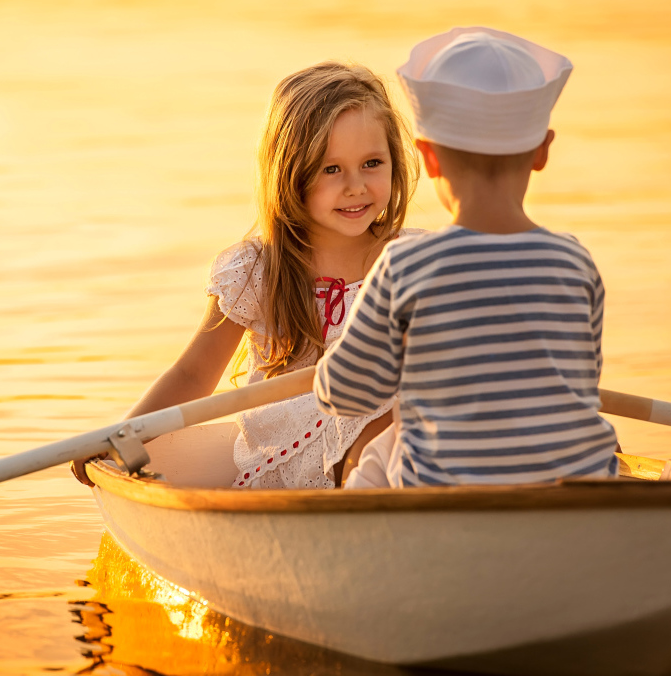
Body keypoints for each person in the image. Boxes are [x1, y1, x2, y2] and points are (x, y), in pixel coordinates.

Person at [72, 61, 420, 489]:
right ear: (291, 175)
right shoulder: (259, 270)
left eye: (372, 163)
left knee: (417, 409)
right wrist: (121, 436)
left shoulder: (412, 258)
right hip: (296, 445)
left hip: (394, 436)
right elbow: (193, 374)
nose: (356, 186)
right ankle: (367, 529)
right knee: (388, 422)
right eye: (331, 169)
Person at [314, 27, 619, 488]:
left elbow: (345, 392)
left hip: (446, 503)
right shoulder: (574, 263)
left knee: (377, 458)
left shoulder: (405, 266)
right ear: (542, 151)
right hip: (575, 498)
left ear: (428, 158)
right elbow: (580, 381)